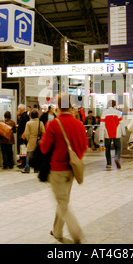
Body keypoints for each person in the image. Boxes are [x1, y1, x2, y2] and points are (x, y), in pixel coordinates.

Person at [39, 93, 88, 244]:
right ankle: (57, 231)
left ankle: (77, 232)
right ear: (71, 106)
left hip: (57, 169)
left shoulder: (54, 124)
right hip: (72, 170)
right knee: (63, 201)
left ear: (58, 106)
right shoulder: (79, 124)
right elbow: (84, 147)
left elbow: (45, 148)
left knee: (62, 202)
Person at [100, 100, 123, 169]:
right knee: (118, 147)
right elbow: (122, 124)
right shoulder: (118, 113)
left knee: (107, 148)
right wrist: (123, 132)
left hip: (107, 134)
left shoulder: (104, 113)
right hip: (117, 134)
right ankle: (116, 158)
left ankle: (108, 164)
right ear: (114, 105)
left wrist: (101, 137)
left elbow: (102, 126)